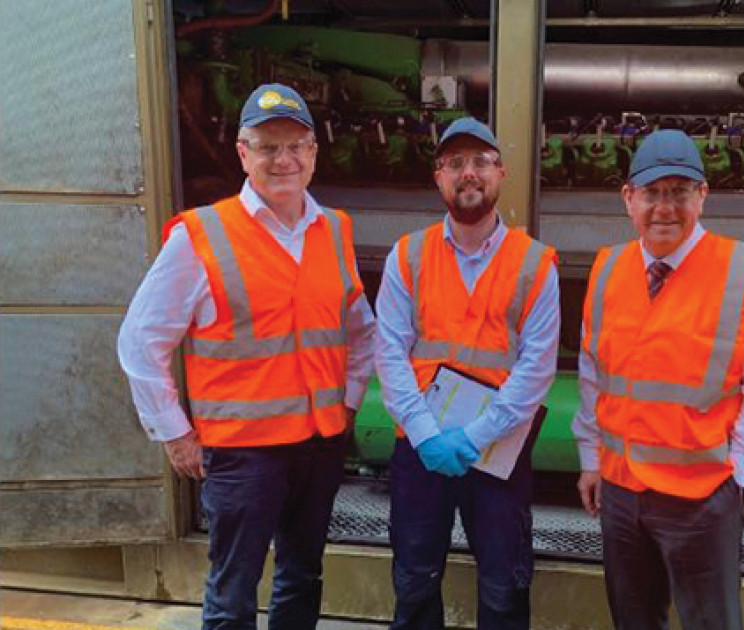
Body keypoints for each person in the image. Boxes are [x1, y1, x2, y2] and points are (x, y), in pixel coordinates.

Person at [118, 83, 376, 629]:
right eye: (268, 146)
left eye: (296, 146)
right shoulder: (201, 236)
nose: (284, 160)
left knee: (302, 577)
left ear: (313, 152)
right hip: (242, 455)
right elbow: (140, 340)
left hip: (319, 444)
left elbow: (361, 329)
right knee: (234, 590)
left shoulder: (334, 230)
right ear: (243, 153)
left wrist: (350, 402)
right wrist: (173, 432)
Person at [572, 129, 744, 630]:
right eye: (652, 193)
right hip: (621, 493)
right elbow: (593, 375)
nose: (664, 208)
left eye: (680, 192)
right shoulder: (607, 271)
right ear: (629, 199)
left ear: (703, 197)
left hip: (701, 499)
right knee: (634, 621)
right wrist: (592, 460)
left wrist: (734, 479)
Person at [375, 117, 559, 630]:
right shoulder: (408, 256)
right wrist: (428, 434)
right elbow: (388, 353)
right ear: (438, 177)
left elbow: (536, 369)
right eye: (455, 163)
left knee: (504, 589)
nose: (468, 173)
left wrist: (475, 435)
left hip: (497, 453)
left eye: (480, 161)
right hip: (421, 449)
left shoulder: (534, 264)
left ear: (500, 172)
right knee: (414, 582)